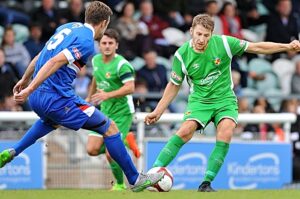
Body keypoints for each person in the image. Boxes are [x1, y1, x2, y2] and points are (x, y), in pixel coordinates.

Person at [0, 1, 163, 192]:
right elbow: (55, 60)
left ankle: (14, 151)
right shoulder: (86, 42)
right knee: (110, 128)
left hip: (39, 98)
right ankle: (135, 179)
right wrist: (28, 87)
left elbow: (40, 56)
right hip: (56, 97)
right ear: (103, 22)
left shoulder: (68, 27)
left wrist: (25, 80)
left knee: (51, 121)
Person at [144, 14, 300, 192]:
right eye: (199, 34)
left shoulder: (224, 43)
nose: (201, 39)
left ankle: (206, 183)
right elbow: (174, 85)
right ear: (191, 31)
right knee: (185, 131)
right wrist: (158, 110)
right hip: (200, 101)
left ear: (212, 34)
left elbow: (256, 47)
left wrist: (287, 46)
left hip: (225, 99)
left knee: (225, 132)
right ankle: (151, 175)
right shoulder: (181, 55)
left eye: (206, 35)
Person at [86, 29, 140, 191]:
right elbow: (96, 77)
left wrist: (108, 95)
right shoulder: (95, 60)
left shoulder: (122, 65)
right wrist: (89, 98)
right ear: (99, 45)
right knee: (92, 149)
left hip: (122, 112)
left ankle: (120, 184)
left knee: (111, 153)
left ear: (117, 45)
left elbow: (130, 88)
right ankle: (125, 141)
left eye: (110, 43)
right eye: (104, 43)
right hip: (105, 110)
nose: (107, 46)